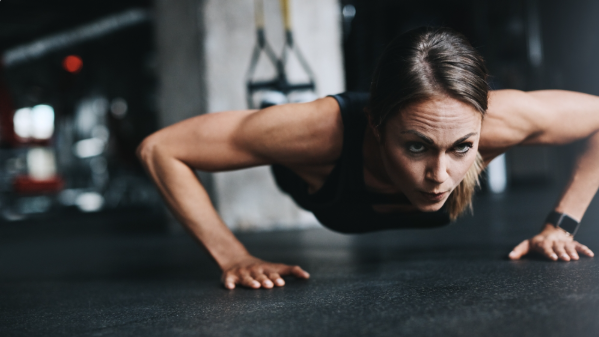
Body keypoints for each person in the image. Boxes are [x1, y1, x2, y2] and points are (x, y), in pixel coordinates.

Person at [138, 27, 597, 290]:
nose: (440, 177)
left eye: (461, 148)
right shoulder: (315, 132)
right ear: (377, 129)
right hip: (310, 177)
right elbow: (161, 148)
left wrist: (562, 223)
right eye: (416, 147)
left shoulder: (500, 121)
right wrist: (232, 256)